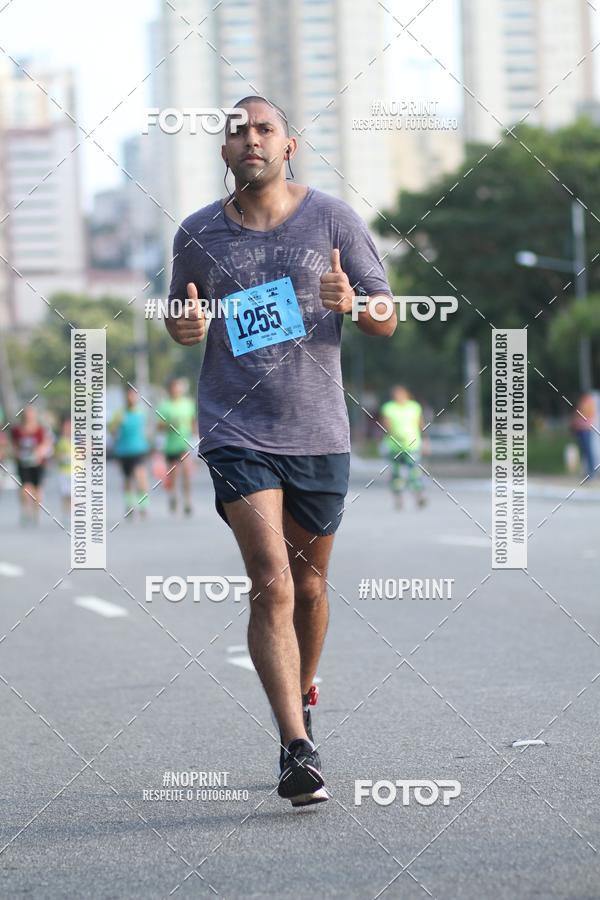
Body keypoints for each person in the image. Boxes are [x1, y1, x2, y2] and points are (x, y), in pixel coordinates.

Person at [165, 95, 396, 807]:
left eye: (265, 129)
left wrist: (353, 303)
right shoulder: (197, 233)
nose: (252, 140)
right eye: (239, 133)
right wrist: (184, 325)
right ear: (225, 152)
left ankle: (302, 687)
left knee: (311, 586)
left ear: (289, 145)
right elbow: (181, 313)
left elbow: (388, 317)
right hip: (237, 433)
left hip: (318, 432)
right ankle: (296, 746)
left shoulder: (332, 219)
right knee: (271, 580)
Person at [380, 385, 428, 509]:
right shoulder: (389, 408)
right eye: (396, 394)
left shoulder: (414, 407)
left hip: (412, 446)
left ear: (406, 394)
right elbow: (386, 426)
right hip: (394, 447)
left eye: (401, 394)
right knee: (396, 475)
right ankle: (398, 499)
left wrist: (426, 441)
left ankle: (419, 497)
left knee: (414, 473)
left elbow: (421, 424)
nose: (398, 396)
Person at [156, 378, 196, 515]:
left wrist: (196, 436)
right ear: (170, 390)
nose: (176, 390)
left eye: (178, 387)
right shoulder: (165, 406)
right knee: (173, 475)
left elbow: (193, 421)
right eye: (173, 388)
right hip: (170, 446)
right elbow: (159, 427)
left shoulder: (188, 404)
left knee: (186, 473)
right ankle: (173, 496)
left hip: (183, 444)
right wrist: (168, 424)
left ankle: (187, 501)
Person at [109, 387, 150, 518]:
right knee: (128, 479)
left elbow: (147, 430)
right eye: (129, 395)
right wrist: (116, 425)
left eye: (134, 395)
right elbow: (112, 431)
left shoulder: (141, 412)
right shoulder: (119, 413)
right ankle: (129, 505)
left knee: (141, 477)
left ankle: (143, 505)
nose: (131, 398)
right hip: (124, 450)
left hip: (139, 449)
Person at [10, 404, 53, 525]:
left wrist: (40, 452)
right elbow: (13, 445)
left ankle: (36, 512)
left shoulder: (41, 429)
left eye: (31, 413)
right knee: (25, 488)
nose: (29, 416)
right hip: (23, 463)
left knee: (37, 489)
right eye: (27, 413)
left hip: (38, 463)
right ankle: (26, 511)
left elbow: (47, 443)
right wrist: (17, 453)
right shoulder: (17, 430)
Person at [571, 392, 598, 480]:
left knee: (588, 451)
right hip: (580, 429)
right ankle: (587, 471)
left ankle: (592, 472)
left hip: (586, 429)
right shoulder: (582, 402)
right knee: (584, 451)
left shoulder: (588, 403)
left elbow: (586, 415)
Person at [54, 417, 72, 521]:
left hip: (77, 472)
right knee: (65, 494)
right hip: (63, 472)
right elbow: (56, 456)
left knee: (75, 495)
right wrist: (63, 458)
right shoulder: (60, 441)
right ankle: (66, 514)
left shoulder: (79, 440)